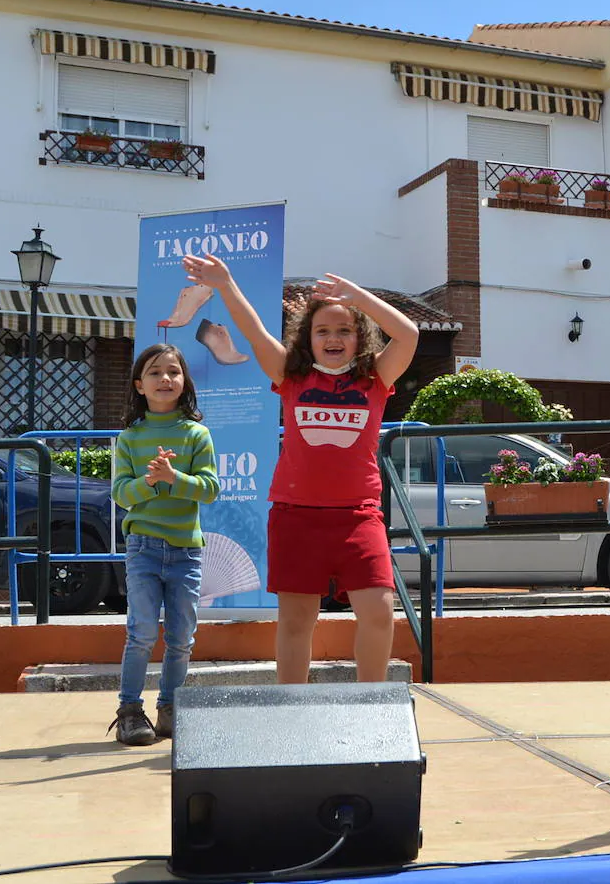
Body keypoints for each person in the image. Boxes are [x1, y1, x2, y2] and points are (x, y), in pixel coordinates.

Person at [181, 254, 419, 684]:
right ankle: (291, 709)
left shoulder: (375, 380)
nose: (333, 338)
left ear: (359, 337)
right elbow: (253, 332)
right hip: (295, 515)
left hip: (359, 516)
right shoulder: (291, 378)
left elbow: (409, 334)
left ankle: (372, 706)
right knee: (295, 622)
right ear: (306, 339)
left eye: (344, 329)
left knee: (380, 611)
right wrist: (225, 283)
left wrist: (358, 298)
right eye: (322, 330)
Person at [109, 344, 220, 746]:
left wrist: (175, 476)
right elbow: (122, 495)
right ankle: (130, 711)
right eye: (155, 373)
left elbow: (209, 490)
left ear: (185, 382)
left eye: (173, 372)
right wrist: (152, 480)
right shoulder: (129, 438)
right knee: (140, 632)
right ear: (139, 385)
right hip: (142, 548)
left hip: (185, 552)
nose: (165, 379)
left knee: (181, 637)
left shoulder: (196, 435)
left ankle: (171, 708)